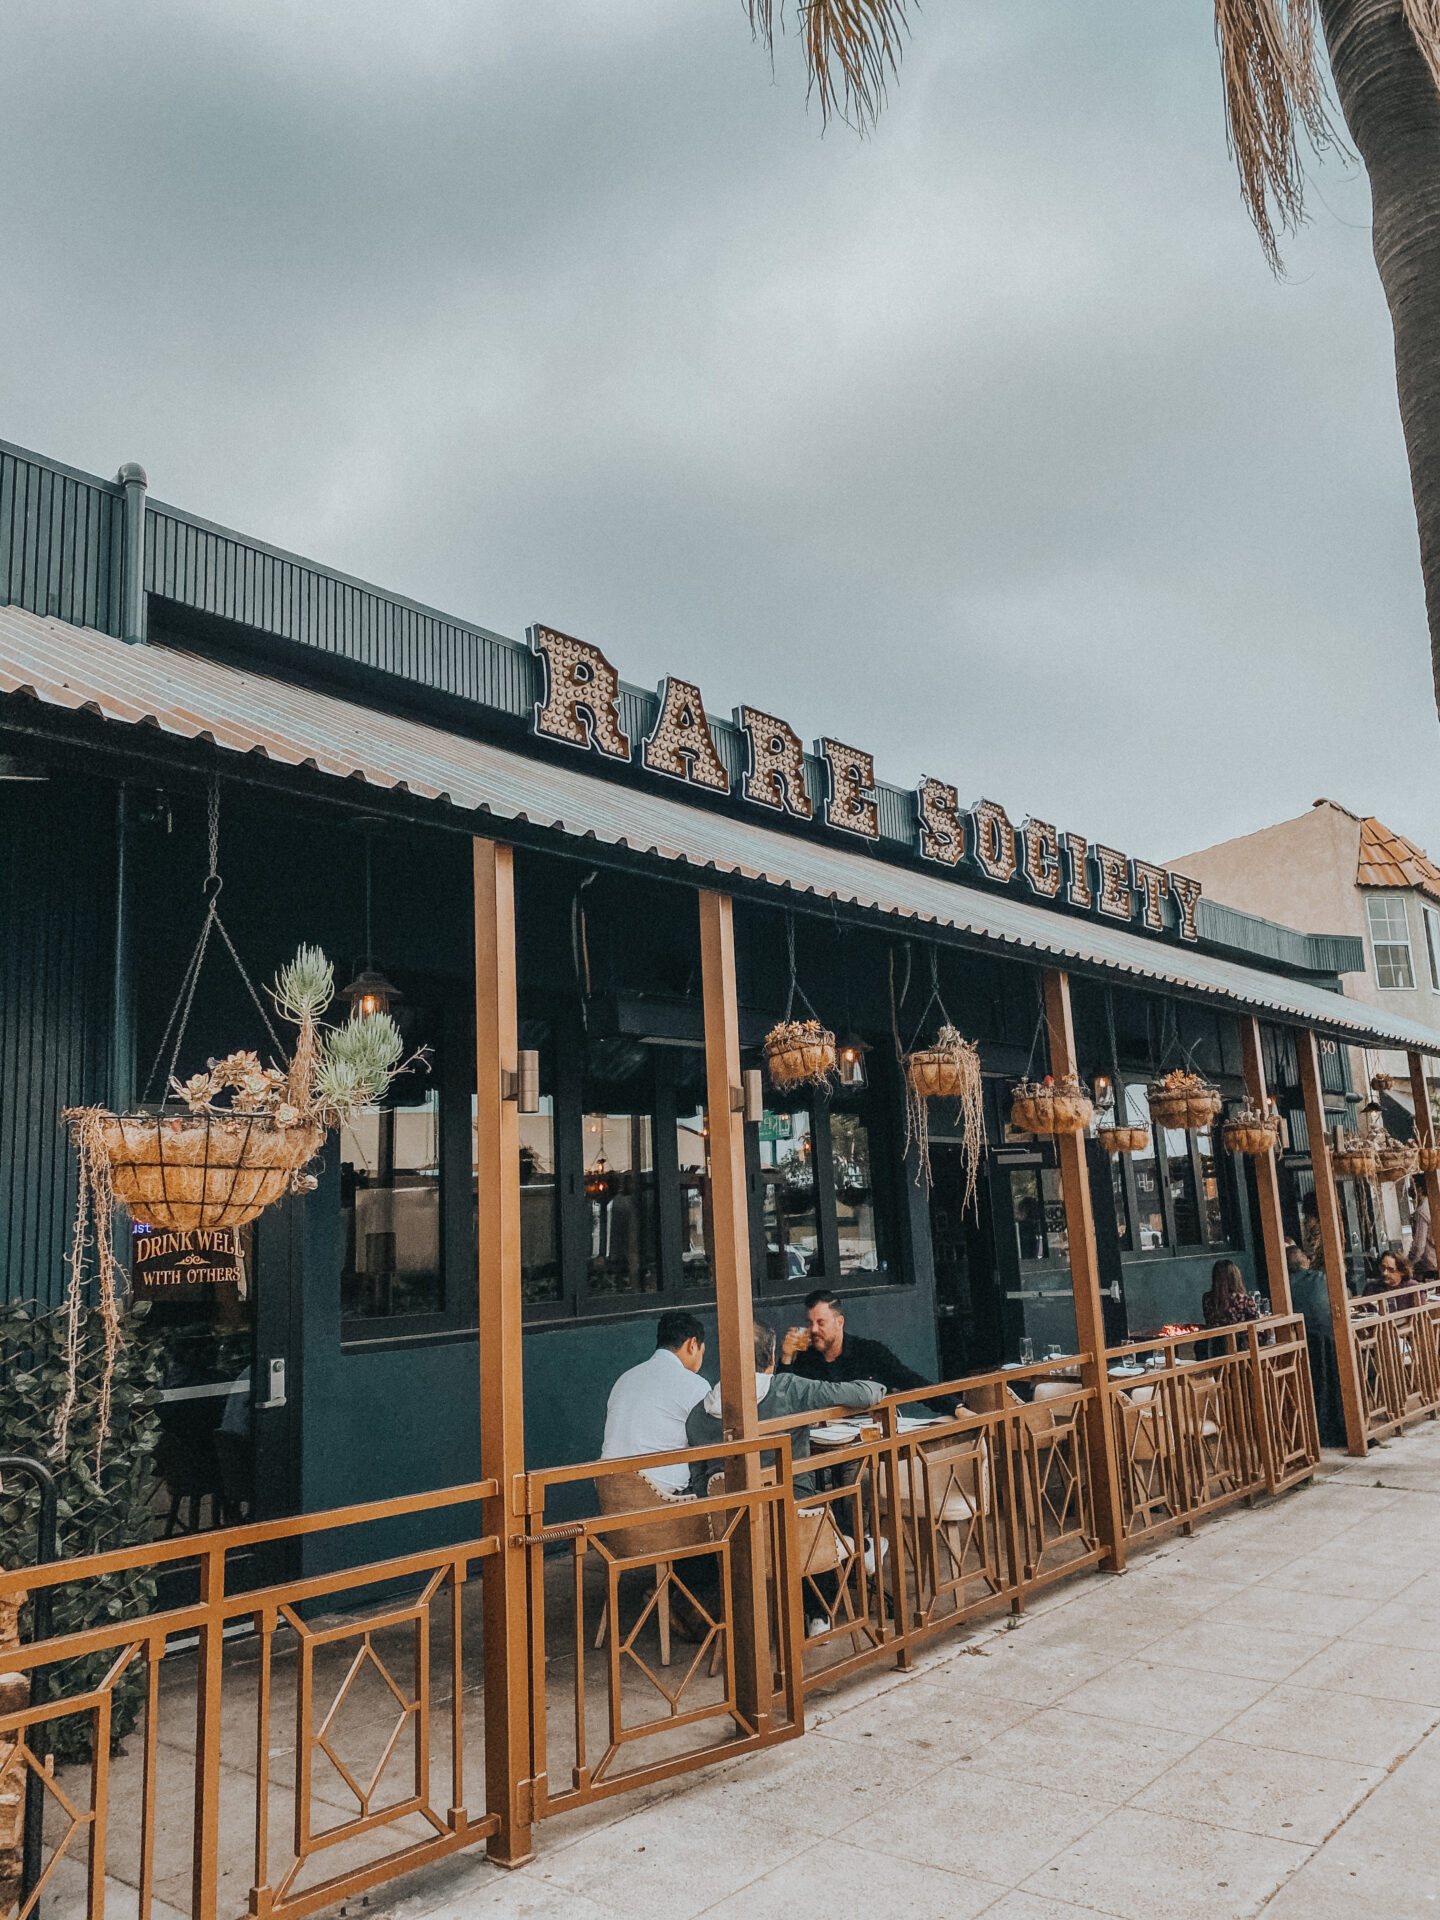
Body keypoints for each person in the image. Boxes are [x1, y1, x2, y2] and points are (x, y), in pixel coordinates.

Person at [685, 1320, 884, 1498]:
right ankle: (862, 1538)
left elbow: (701, 1486)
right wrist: (879, 1386)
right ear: (771, 1357)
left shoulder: (696, 1416)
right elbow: (864, 1394)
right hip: (793, 1512)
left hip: (729, 1524)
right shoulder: (788, 1389)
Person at [780, 1289, 951, 1408]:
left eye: (821, 1323)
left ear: (839, 1322)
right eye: (810, 1323)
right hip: (820, 1449)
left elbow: (911, 1381)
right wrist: (787, 1357)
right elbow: (783, 1399)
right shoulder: (805, 1358)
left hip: (869, 1448)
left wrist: (955, 1407)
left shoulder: (869, 1352)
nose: (814, 1330)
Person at [601, 1310, 710, 1493]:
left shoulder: (625, 1379)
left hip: (612, 1494)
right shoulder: (694, 1384)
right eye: (702, 1351)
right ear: (692, 1344)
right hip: (663, 1497)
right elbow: (709, 1438)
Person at [1201, 1259, 1261, 1334]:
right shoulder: (1243, 1300)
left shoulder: (1207, 1299)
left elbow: (1209, 1321)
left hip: (1217, 1342)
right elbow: (1254, 1324)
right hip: (1242, 1342)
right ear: (1235, 1277)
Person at [1407, 1177, 1436, 1281]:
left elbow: (1419, 1247)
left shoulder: (1422, 1211)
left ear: (1419, 1189)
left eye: (1411, 1185)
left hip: (1429, 1269)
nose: (1409, 1190)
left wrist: (1407, 1265)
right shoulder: (1433, 1205)